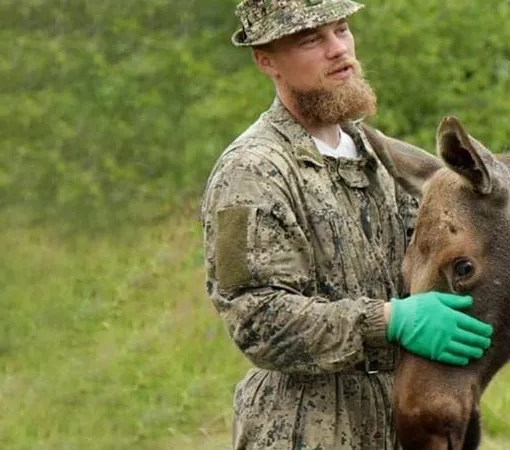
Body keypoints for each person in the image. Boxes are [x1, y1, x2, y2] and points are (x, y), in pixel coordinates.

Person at [199, 0, 494, 448]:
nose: (338, 49)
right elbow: (257, 322)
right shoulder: (252, 171)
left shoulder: (380, 157)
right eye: (311, 39)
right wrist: (390, 321)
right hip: (302, 431)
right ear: (266, 61)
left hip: (398, 424)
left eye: (341, 29)